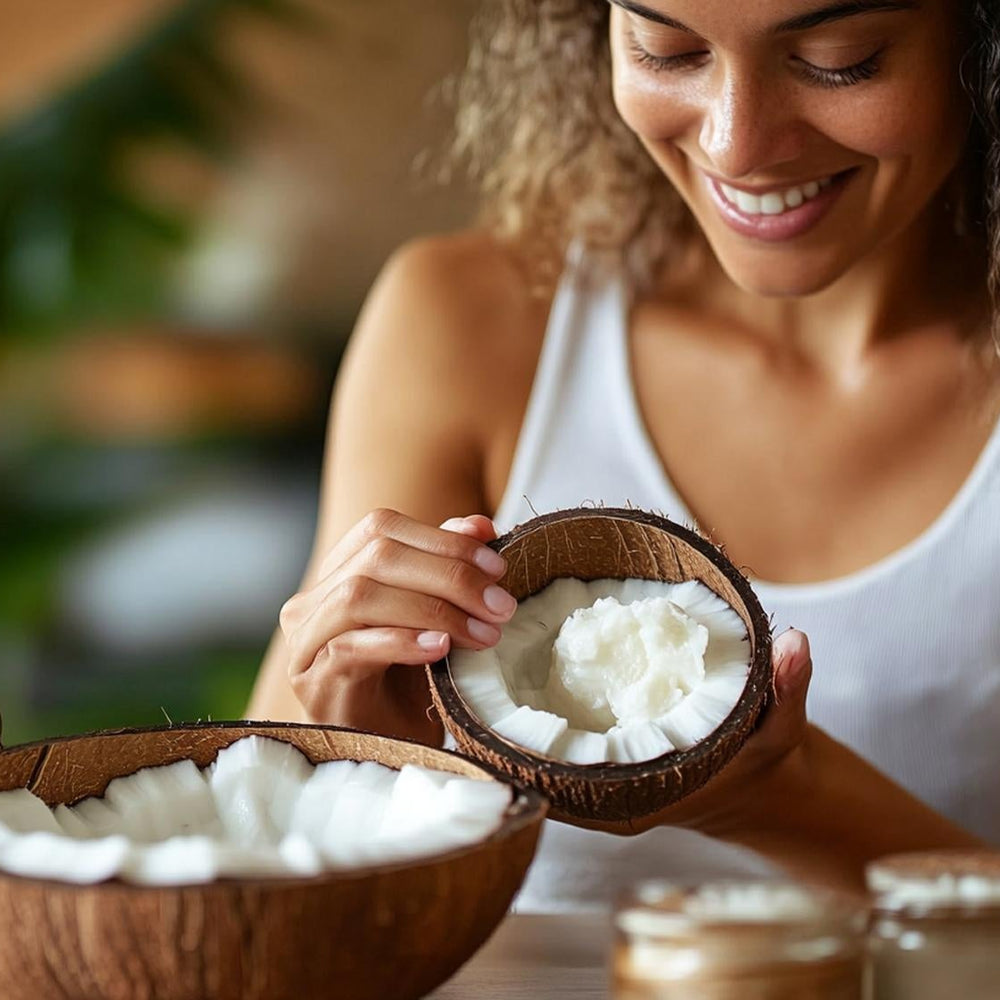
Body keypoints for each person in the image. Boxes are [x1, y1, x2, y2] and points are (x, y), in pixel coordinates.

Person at [248, 0, 999, 910]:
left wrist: (784, 800)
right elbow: (267, 888)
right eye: (668, 51)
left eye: (840, 61)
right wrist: (348, 766)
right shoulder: (466, 325)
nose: (735, 144)